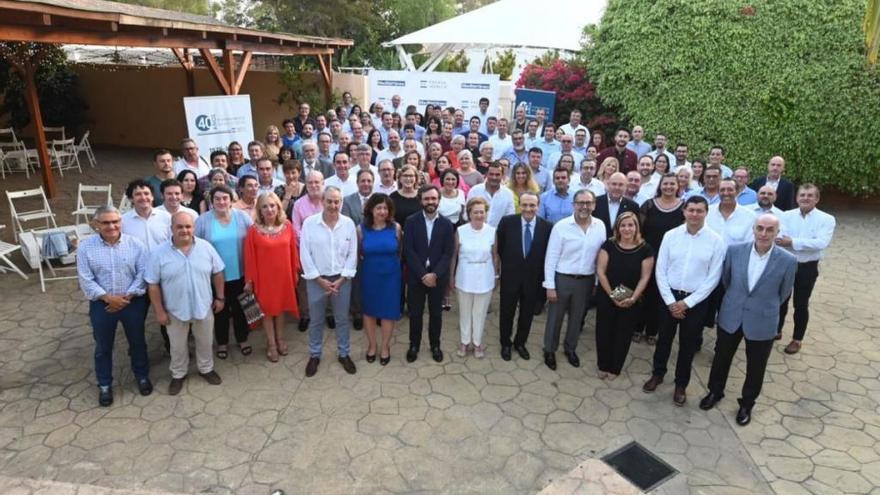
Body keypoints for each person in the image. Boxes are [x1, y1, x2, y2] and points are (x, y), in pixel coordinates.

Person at [700, 214, 797, 425]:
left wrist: (761, 305)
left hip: (763, 320)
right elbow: (726, 280)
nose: (763, 233)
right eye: (760, 228)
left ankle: (747, 403)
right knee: (721, 358)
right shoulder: (734, 251)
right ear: (753, 229)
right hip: (732, 314)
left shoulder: (789, 261)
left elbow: (784, 293)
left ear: (777, 233)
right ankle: (715, 392)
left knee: (756, 366)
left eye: (769, 230)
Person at [644, 196, 724, 406]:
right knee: (664, 340)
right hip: (669, 296)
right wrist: (671, 302)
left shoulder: (716, 241)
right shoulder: (670, 236)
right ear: (684, 212)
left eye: (699, 210)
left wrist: (687, 303)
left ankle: (681, 384)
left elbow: (713, 278)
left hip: (695, 301)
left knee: (688, 345)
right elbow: (660, 270)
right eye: (691, 210)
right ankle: (658, 374)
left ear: (706, 213)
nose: (695, 214)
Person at [77, 206, 152, 407]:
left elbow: (143, 273)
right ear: (96, 225)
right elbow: (86, 279)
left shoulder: (135, 244)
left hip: (132, 302)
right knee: (103, 346)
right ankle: (104, 384)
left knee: (137, 341)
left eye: (115, 222)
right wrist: (109, 298)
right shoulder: (85, 248)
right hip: (103, 305)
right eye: (105, 222)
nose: (111, 226)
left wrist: (125, 297)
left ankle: (142, 376)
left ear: (121, 222)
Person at [146, 212, 224, 396]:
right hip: (174, 310)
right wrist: (159, 311)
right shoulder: (158, 253)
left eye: (188, 226)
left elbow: (218, 272)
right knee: (177, 346)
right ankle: (178, 374)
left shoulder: (206, 248)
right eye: (179, 227)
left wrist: (220, 297)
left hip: (203, 307)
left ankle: (206, 369)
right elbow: (153, 284)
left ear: (193, 228)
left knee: (205, 342)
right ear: (171, 228)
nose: (184, 230)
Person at [542, 189, 606, 370]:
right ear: (574, 205)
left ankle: (570, 348)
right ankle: (549, 350)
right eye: (580, 203)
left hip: (585, 280)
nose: (584, 206)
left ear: (594, 205)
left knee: (577, 319)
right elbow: (551, 257)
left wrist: (595, 282)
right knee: (555, 318)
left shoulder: (600, 226)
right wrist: (550, 286)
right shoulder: (561, 227)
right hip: (563, 279)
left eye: (588, 203)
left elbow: (598, 258)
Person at [300, 186, 359, 377]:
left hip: (342, 280)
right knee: (316, 320)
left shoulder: (348, 223)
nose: (333, 205)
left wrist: (342, 279)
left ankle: (344, 353)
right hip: (317, 280)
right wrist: (318, 279)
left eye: (337, 201)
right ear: (322, 201)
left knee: (342, 319)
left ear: (341, 203)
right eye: (330, 201)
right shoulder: (309, 223)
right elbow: (304, 254)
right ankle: (315, 354)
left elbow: (352, 253)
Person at [776, 184, 836, 354]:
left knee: (800, 304)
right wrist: (804, 242)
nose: (805, 198)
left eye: (810, 195)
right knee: (780, 300)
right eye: (802, 195)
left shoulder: (827, 219)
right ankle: (777, 330)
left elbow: (821, 243)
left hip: (807, 267)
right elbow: (780, 239)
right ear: (797, 198)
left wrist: (793, 242)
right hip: (786, 264)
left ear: (817, 199)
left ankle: (797, 339)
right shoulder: (786, 215)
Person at [195, 185, 253, 359]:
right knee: (219, 311)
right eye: (217, 199)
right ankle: (222, 342)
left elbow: (253, 240)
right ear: (211, 202)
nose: (221, 202)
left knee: (242, 309)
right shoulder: (203, 220)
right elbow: (196, 245)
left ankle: (242, 339)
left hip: (241, 274)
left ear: (231, 200)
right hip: (215, 277)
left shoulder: (242, 217)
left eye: (225, 198)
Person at [595, 212, 655, 379]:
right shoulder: (609, 245)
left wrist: (633, 298)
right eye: (623, 225)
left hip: (631, 299)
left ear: (636, 227)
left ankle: (615, 368)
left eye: (631, 225)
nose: (627, 228)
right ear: (617, 227)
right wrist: (613, 296)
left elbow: (645, 277)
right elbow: (601, 271)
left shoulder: (646, 249)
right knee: (604, 331)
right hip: (608, 295)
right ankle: (603, 364)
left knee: (623, 333)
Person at [244, 193, 300, 363]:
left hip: (283, 276)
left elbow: (293, 251)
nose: (269, 209)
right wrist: (249, 280)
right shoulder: (253, 230)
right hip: (264, 278)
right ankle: (271, 344)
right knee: (267, 311)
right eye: (265, 206)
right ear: (259, 210)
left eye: (272, 205)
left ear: (278, 206)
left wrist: (295, 271)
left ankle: (280, 339)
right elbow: (249, 256)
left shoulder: (287, 225)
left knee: (281, 308)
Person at [496, 192, 552, 361]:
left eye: (532, 205)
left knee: (527, 313)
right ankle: (505, 343)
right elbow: (500, 248)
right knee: (507, 312)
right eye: (525, 205)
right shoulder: (507, 222)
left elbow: (547, 254)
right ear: (519, 205)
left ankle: (520, 343)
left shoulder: (547, 227)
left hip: (533, 279)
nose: (528, 209)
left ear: (538, 206)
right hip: (511, 276)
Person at [404, 186, 456, 363]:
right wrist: (422, 275)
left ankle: (435, 345)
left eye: (433, 199)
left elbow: (448, 253)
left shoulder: (447, 224)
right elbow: (408, 251)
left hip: (437, 278)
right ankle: (414, 345)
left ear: (439, 200)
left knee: (436, 314)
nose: (430, 202)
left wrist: (434, 274)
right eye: (426, 199)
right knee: (415, 314)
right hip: (416, 277)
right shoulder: (411, 221)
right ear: (421, 200)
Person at [634, 174, 684, 344]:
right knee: (642, 291)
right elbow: (638, 231)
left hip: (672, 259)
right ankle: (637, 327)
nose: (669, 187)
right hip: (647, 255)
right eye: (665, 183)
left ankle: (653, 330)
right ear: (660, 186)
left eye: (672, 184)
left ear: (678, 186)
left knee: (660, 295)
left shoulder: (684, 207)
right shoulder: (648, 205)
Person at [450, 197, 498, 359]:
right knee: (465, 311)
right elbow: (454, 256)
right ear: (469, 213)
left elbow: (495, 256)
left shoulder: (492, 231)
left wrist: (497, 275)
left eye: (481, 212)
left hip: (485, 274)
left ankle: (477, 343)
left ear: (486, 213)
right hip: (464, 274)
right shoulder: (461, 231)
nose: (479, 215)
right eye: (475, 212)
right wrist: (451, 277)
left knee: (480, 312)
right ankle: (464, 342)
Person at [358, 194, 402, 365]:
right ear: (371, 209)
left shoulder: (396, 228)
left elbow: (399, 251)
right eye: (378, 208)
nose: (382, 211)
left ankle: (385, 346)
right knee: (369, 312)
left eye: (385, 208)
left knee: (388, 313)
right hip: (369, 275)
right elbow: (358, 254)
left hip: (391, 276)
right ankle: (372, 345)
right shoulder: (361, 229)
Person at [341, 169, 374, 330]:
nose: (366, 184)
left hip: (375, 247)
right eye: (363, 181)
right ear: (357, 183)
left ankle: (374, 310)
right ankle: (357, 312)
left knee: (374, 280)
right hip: (354, 248)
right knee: (357, 281)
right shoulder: (347, 201)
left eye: (369, 181)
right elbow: (346, 225)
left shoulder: (378, 200)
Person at [467, 162, 515, 227]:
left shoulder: (508, 194)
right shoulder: (475, 191)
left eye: (497, 175)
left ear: (502, 175)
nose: (494, 177)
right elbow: (466, 213)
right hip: (476, 231)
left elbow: (510, 217)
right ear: (486, 174)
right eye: (491, 174)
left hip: (499, 234)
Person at [594, 172, 641, 239]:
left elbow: (636, 230)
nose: (617, 187)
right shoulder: (596, 202)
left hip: (621, 246)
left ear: (626, 186)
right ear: (608, 185)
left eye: (621, 185)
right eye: (614, 184)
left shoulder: (633, 206)